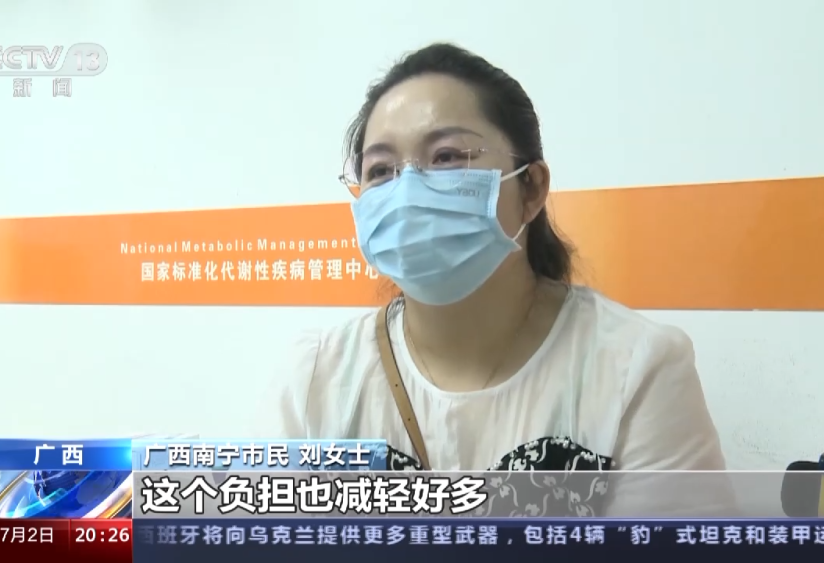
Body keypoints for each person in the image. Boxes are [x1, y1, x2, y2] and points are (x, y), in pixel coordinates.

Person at [258, 43, 735, 516]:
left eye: (446, 157)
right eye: (381, 170)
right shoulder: (316, 377)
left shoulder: (636, 370)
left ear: (531, 188)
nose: (407, 191)